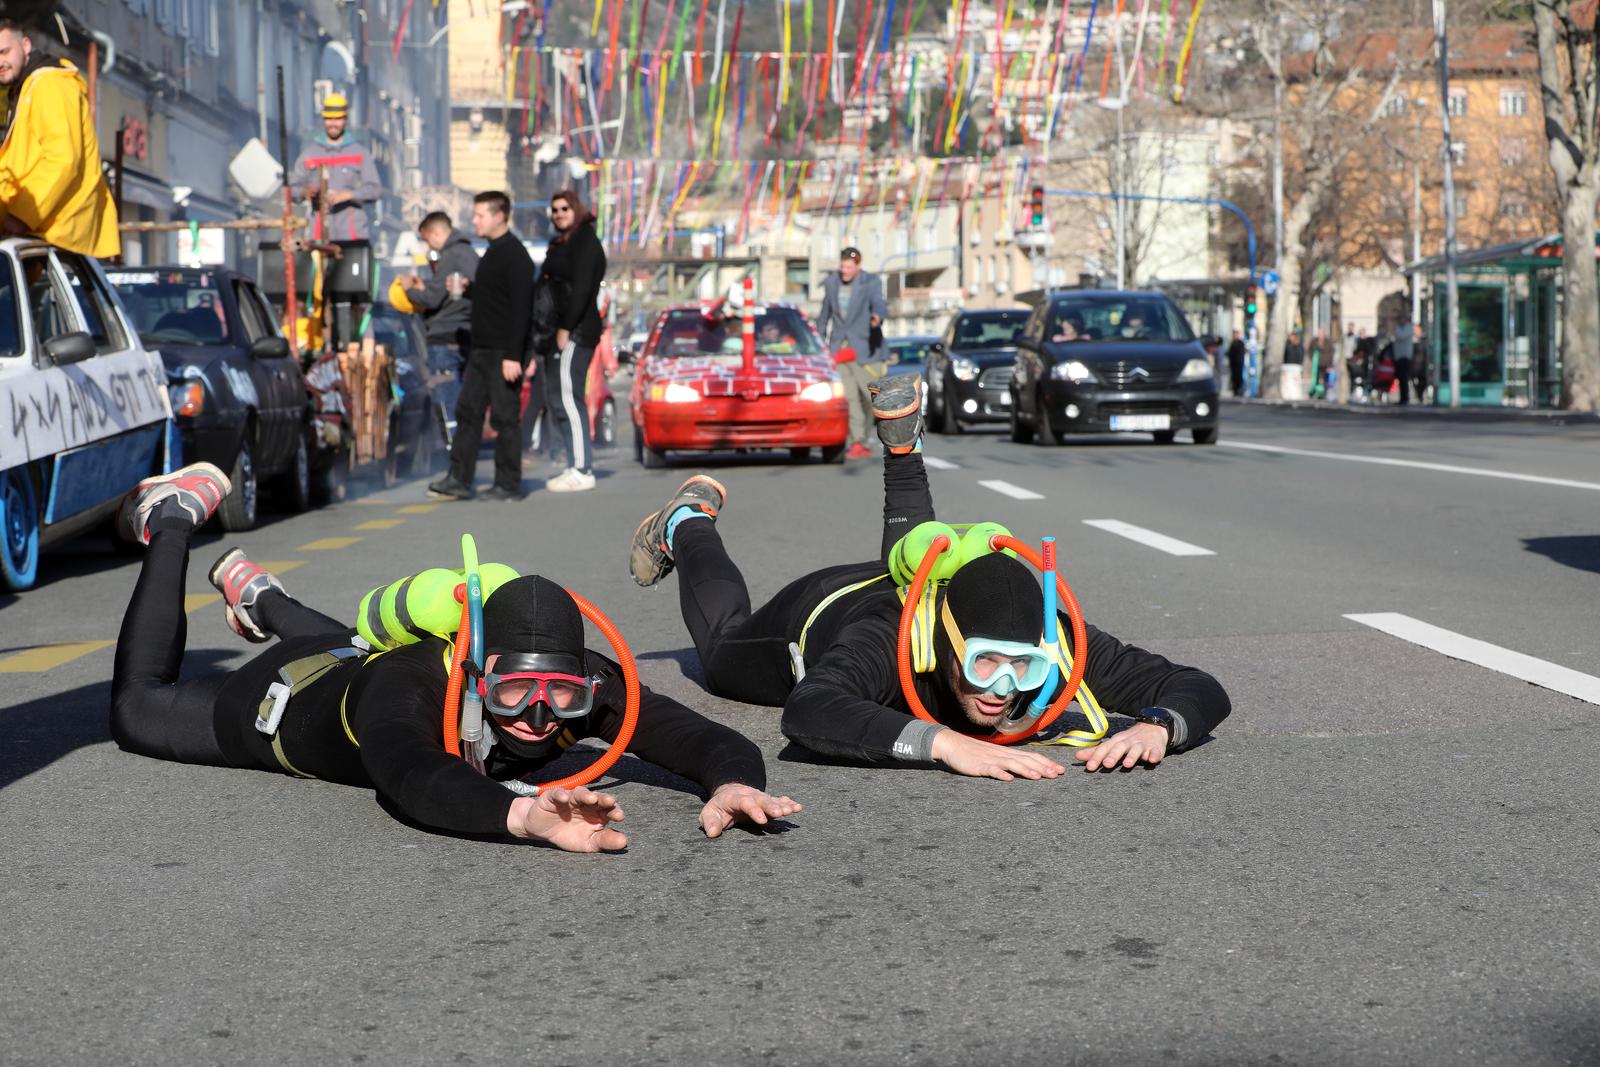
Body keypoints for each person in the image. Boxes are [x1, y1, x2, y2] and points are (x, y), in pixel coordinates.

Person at [108, 462, 800, 852]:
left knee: (337, 638)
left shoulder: (582, 677)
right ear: (472, 670)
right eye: (512, 693)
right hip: (278, 707)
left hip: (341, 648)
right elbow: (410, 773)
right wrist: (522, 815)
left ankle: (259, 597)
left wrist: (732, 780)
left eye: (561, 697)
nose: (536, 713)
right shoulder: (407, 683)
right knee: (137, 709)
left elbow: (691, 734)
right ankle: (172, 519)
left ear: (584, 679)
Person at [627, 375, 1231, 779]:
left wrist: (1160, 726)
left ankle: (903, 450)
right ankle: (687, 522)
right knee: (722, 648)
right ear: (948, 641)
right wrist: (942, 743)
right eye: (985, 662)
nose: (1004, 687)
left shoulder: (1050, 636)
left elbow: (1197, 685)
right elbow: (810, 711)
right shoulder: (887, 639)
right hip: (823, 609)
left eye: (1024, 666)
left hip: (923, 575)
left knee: (924, 553)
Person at [429, 191, 535, 502]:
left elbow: (521, 310)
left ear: (499, 215)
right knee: (468, 412)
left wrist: (515, 355)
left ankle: (508, 483)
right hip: (481, 348)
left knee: (504, 417)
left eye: (480, 215)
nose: (474, 221)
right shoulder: (489, 252)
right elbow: (494, 300)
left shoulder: (515, 255)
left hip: (503, 352)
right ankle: (459, 479)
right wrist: (468, 289)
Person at [0, 20, 118, 257]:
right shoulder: (26, 88)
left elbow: (63, 160)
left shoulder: (49, 84)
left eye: (4, 51)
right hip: (43, 234)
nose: (0, 62)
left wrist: (20, 217)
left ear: (25, 45)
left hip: (55, 234)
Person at [538, 189, 608, 494]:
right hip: (560, 329)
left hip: (577, 330)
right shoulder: (563, 242)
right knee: (558, 399)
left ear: (576, 209)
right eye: (554, 210)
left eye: (564, 208)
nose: (559, 214)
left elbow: (581, 290)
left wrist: (566, 327)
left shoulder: (585, 242)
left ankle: (582, 467)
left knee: (569, 396)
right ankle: (573, 463)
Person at [398, 211, 478, 446]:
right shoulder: (468, 253)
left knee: (447, 400)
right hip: (462, 333)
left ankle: (456, 455)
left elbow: (432, 299)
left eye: (427, 239)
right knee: (460, 396)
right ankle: (462, 455)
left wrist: (409, 289)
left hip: (445, 336)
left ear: (437, 232)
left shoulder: (452, 255)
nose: (427, 245)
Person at [817, 247, 889, 460]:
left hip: (864, 349)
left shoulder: (870, 282)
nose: (844, 271)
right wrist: (819, 343)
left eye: (849, 267)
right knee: (848, 398)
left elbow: (878, 303)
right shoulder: (831, 283)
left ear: (858, 266)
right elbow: (824, 316)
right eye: (842, 266)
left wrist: (877, 316)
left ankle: (866, 436)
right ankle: (858, 441)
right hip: (839, 349)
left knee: (868, 398)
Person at [289, 92, 382, 244]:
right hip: (318, 236)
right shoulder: (310, 154)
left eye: (337, 119)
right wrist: (305, 191)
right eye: (329, 119)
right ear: (323, 119)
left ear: (345, 119)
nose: (333, 123)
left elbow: (375, 190)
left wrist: (349, 195)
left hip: (351, 236)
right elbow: (291, 190)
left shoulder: (360, 153)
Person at [1391, 313, 1416, 406]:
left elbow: (1400, 336)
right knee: (1400, 379)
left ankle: (1405, 398)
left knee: (1404, 378)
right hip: (1398, 357)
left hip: (1404, 357)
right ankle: (1402, 398)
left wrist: (1396, 329)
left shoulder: (1408, 328)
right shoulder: (1401, 328)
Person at [1282, 330, 1305, 400]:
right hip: (1292, 367)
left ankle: (1293, 397)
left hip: (1292, 367)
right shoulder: (1298, 346)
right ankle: (1292, 396)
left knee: (1292, 384)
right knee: (1291, 384)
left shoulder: (1291, 346)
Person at [1225, 331, 1246, 398]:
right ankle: (1235, 391)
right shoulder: (1233, 343)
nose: (1234, 336)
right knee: (1234, 378)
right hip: (1233, 364)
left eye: (1235, 335)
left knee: (1239, 377)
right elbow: (1230, 353)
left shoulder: (1240, 343)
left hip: (1239, 363)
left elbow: (1241, 353)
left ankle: (1240, 390)